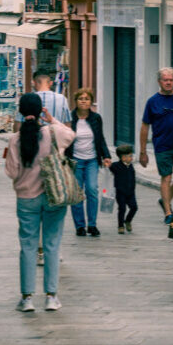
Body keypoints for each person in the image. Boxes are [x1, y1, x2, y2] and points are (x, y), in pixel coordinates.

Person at [5, 93, 76, 312]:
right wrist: (51, 119)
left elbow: (12, 172)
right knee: (52, 245)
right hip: (54, 196)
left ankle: (27, 298)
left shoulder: (15, 139)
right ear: (39, 111)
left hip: (26, 198)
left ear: (20, 110)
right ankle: (51, 297)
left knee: (27, 246)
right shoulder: (52, 132)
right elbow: (71, 134)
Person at [140, 67, 173, 224]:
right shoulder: (152, 102)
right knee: (166, 177)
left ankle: (165, 199)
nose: (168, 82)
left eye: (171, 80)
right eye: (165, 80)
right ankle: (168, 212)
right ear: (159, 82)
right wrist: (143, 151)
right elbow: (144, 127)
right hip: (162, 146)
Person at [65, 88, 112, 237]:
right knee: (77, 193)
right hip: (75, 160)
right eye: (81, 98)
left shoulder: (96, 118)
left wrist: (106, 155)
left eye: (87, 98)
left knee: (92, 189)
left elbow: (100, 138)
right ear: (76, 101)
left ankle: (92, 224)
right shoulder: (69, 118)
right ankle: (80, 226)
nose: (84, 101)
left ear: (91, 102)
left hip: (92, 159)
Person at [110, 144, 138, 234]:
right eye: (129, 156)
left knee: (134, 207)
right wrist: (107, 165)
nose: (131, 158)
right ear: (123, 157)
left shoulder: (131, 166)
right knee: (122, 209)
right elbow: (110, 168)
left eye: (131, 156)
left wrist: (133, 189)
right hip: (120, 192)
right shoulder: (116, 166)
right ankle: (120, 226)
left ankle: (128, 220)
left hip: (130, 192)